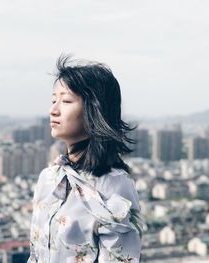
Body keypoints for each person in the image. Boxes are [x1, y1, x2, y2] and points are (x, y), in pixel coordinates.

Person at [27, 55, 143, 263]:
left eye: (66, 101)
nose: (53, 110)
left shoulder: (114, 185)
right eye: (54, 100)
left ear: (95, 110)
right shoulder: (48, 179)